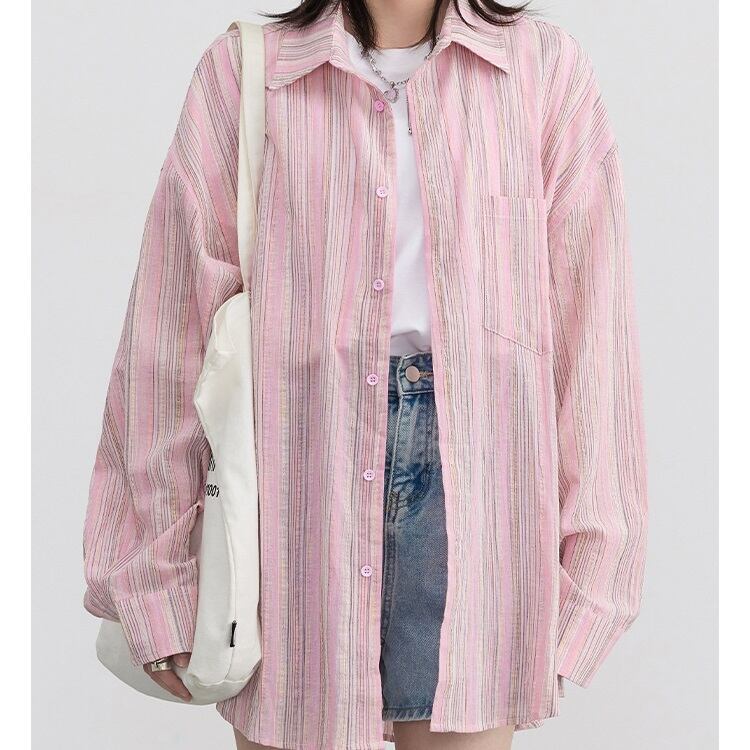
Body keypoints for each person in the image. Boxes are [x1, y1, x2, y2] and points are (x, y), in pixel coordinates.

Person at [81, 1, 649, 749]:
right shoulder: (248, 73)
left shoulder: (543, 70)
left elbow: (592, 333)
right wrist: (153, 574)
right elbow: (169, 331)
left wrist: (595, 575)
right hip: (298, 483)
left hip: (479, 496)